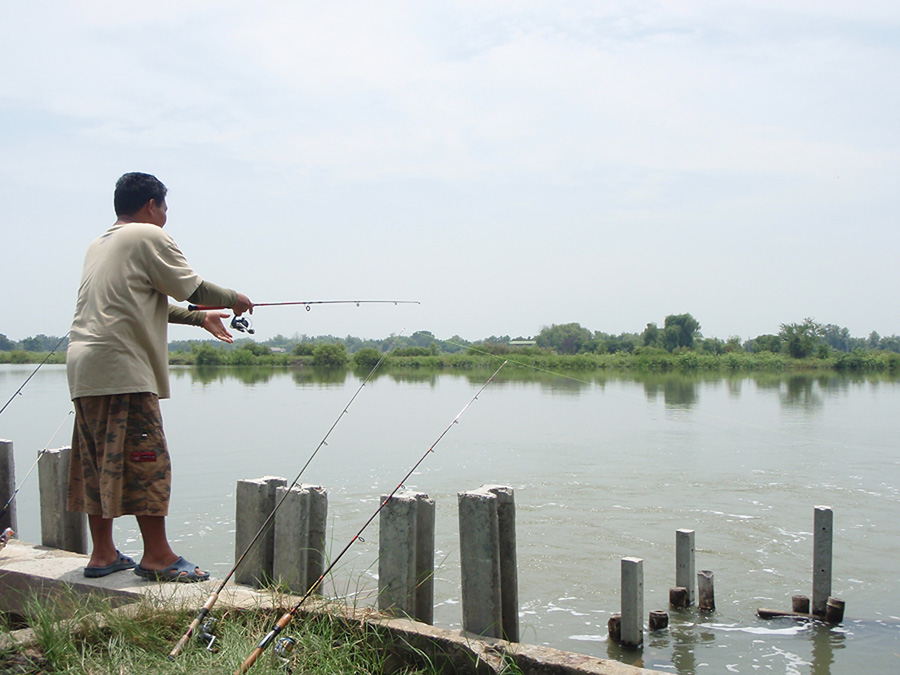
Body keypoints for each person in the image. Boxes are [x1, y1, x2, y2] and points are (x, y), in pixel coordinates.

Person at [66, 172, 252, 582]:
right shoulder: (148, 236)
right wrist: (234, 299)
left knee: (99, 461)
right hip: (123, 367)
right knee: (147, 460)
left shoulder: (100, 245)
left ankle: (102, 554)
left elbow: (149, 304)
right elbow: (193, 287)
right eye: (165, 207)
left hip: (85, 368)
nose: (166, 216)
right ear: (152, 204)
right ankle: (158, 557)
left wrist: (201, 318)